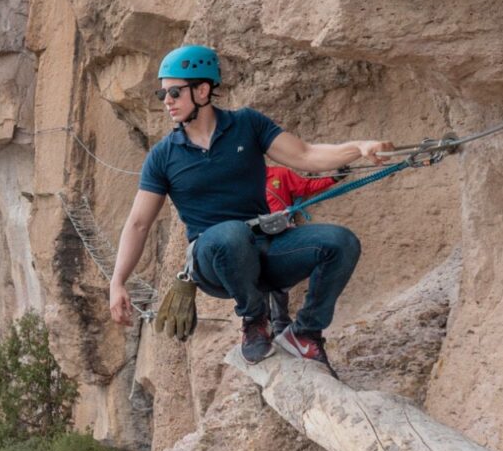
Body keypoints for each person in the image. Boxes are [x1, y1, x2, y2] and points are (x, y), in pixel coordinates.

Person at [107, 45, 391, 375]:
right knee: (231, 234)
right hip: (213, 260)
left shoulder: (247, 125)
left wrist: (358, 148)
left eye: (174, 92)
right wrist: (118, 282)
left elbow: (306, 155)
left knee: (341, 242)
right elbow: (139, 223)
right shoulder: (164, 156)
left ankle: (305, 333)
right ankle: (255, 320)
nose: (166, 101)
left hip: (265, 248)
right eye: (163, 93)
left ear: (202, 90)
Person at [261, 165, 348, 336]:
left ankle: (280, 322)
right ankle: (263, 324)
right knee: (257, 280)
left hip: (281, 233)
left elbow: (305, 186)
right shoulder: (241, 183)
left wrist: (334, 178)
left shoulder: (279, 174)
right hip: (255, 236)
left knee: (276, 280)